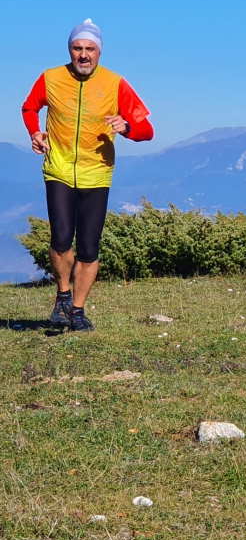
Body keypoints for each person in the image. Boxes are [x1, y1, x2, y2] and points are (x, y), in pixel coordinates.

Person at [21, 19, 154, 331]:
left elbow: (147, 130)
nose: (83, 54)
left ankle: (77, 311)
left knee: (89, 248)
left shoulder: (115, 83)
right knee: (61, 238)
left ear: (99, 52)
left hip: (97, 173)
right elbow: (29, 107)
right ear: (70, 49)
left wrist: (129, 128)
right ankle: (63, 296)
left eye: (89, 49)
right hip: (59, 168)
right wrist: (35, 132)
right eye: (77, 48)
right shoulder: (50, 78)